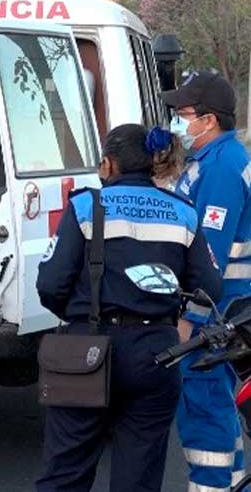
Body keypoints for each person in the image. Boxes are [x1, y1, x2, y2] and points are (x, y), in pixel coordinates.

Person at [35, 124, 222, 492]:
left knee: (66, 471)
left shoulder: (86, 206)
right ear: (153, 163)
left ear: (107, 164)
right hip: (156, 351)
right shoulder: (182, 211)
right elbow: (209, 286)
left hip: (86, 348)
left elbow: (51, 284)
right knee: (138, 478)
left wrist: (78, 316)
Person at [162, 70, 251, 491]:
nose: (179, 122)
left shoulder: (220, 168)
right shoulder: (213, 159)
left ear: (209, 119)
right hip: (225, 311)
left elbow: (208, 261)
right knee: (219, 410)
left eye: (183, 114)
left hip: (215, 316)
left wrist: (187, 320)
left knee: (205, 411)